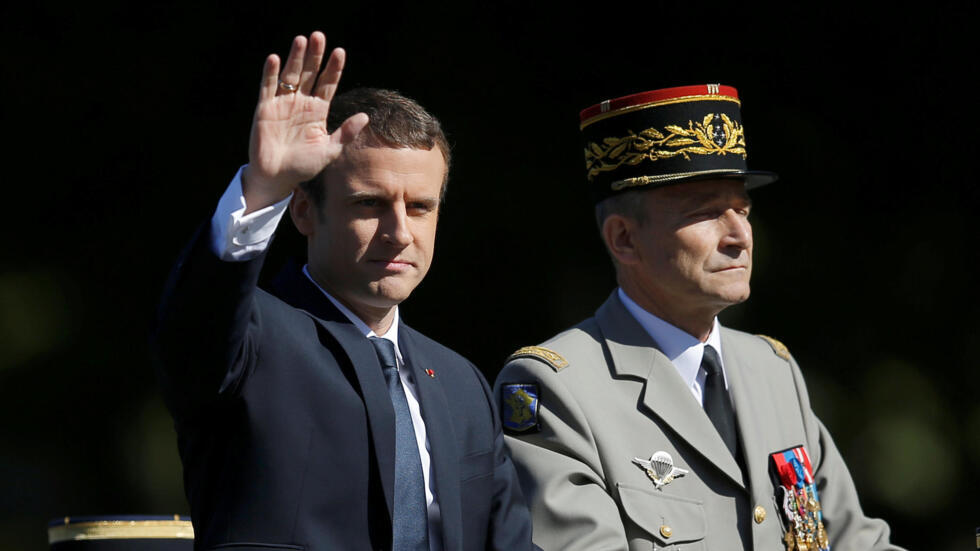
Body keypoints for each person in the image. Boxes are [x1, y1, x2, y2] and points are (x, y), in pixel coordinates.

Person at [151, 32, 533, 550]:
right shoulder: (254, 337)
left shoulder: (463, 383)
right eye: (369, 204)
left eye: (420, 207)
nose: (400, 232)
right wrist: (262, 190)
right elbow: (198, 327)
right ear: (305, 211)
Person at [493, 85, 904, 550]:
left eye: (743, 210)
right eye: (707, 213)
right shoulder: (557, 389)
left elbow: (853, 540)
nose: (739, 236)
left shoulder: (772, 368)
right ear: (624, 238)